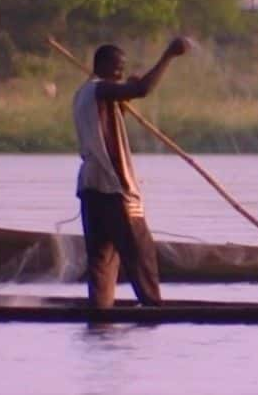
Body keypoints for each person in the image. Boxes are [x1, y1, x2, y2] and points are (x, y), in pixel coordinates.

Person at [73, 37, 190, 308]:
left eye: (122, 69)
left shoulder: (84, 95)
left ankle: (101, 311)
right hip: (113, 188)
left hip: (91, 189)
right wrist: (168, 56)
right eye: (116, 68)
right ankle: (153, 307)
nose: (120, 73)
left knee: (102, 258)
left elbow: (106, 124)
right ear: (101, 66)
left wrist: (124, 92)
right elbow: (143, 89)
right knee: (141, 251)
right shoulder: (99, 89)